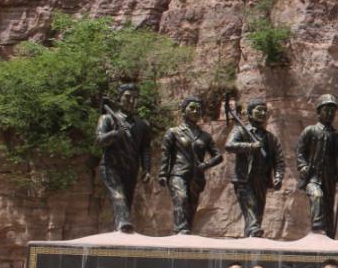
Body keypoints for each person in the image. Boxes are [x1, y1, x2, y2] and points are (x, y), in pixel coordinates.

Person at [158, 98, 223, 234]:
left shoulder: (205, 136)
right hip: (178, 173)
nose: (195, 111)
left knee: (191, 208)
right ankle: (181, 230)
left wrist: (206, 165)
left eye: (198, 109)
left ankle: (185, 232)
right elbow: (165, 154)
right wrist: (163, 173)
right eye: (192, 108)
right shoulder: (174, 132)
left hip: (196, 177)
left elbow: (218, 156)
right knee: (181, 198)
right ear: (183, 111)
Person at [95, 83, 151, 233]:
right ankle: (123, 223)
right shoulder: (107, 118)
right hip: (111, 166)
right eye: (127, 97)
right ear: (119, 98)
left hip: (131, 168)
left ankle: (119, 228)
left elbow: (145, 149)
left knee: (126, 202)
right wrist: (115, 134)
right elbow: (99, 140)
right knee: (118, 196)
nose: (131, 101)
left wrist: (146, 169)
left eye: (135, 98)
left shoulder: (142, 125)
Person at [226, 100, 285, 237]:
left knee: (257, 214)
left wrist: (278, 177)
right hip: (244, 179)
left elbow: (279, 161)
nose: (263, 113)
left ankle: (250, 238)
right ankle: (253, 232)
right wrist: (250, 146)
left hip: (261, 180)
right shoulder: (241, 130)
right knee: (251, 207)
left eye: (265, 111)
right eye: (259, 110)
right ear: (249, 113)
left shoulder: (271, 138)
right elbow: (229, 145)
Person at [295, 94, 338, 237]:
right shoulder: (310, 130)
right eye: (326, 110)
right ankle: (317, 227)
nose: (330, 113)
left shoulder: (336, 135)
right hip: (313, 176)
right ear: (319, 112)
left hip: (329, 177)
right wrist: (302, 166)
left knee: (328, 207)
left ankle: (329, 235)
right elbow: (300, 151)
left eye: (332, 111)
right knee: (317, 196)